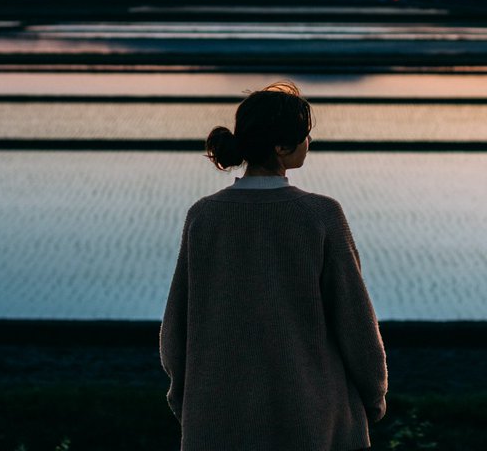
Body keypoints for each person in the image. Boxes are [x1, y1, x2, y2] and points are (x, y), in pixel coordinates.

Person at [159, 81, 388, 451]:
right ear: (281, 147)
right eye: (305, 136)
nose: (309, 142)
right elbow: (356, 321)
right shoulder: (320, 215)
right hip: (313, 416)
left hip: (218, 418)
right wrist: (374, 396)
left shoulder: (204, 217)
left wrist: (184, 398)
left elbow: (176, 328)